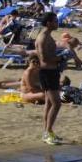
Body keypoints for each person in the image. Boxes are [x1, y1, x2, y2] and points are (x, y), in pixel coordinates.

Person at [34, 12, 63, 145]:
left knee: (49, 103)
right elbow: (44, 58)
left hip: (52, 72)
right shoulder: (42, 38)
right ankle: (48, 131)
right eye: (55, 21)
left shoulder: (48, 36)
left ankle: (47, 132)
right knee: (57, 103)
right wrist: (60, 58)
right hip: (47, 72)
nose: (57, 23)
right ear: (48, 23)